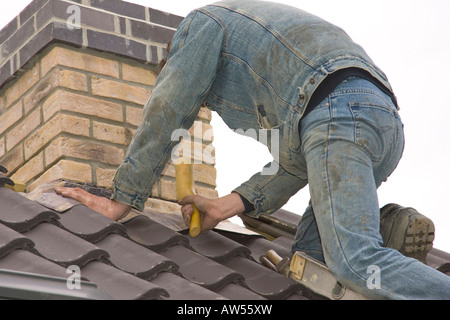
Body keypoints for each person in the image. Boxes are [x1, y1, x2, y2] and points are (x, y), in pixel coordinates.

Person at [56, 0, 450, 299]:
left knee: (356, 260)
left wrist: (122, 199)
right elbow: (296, 164)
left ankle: (376, 250)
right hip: (380, 127)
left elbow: (168, 105)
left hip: (338, 117)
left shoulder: (201, 25)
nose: (206, 106)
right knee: (310, 266)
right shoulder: (277, 72)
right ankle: (382, 242)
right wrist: (225, 205)